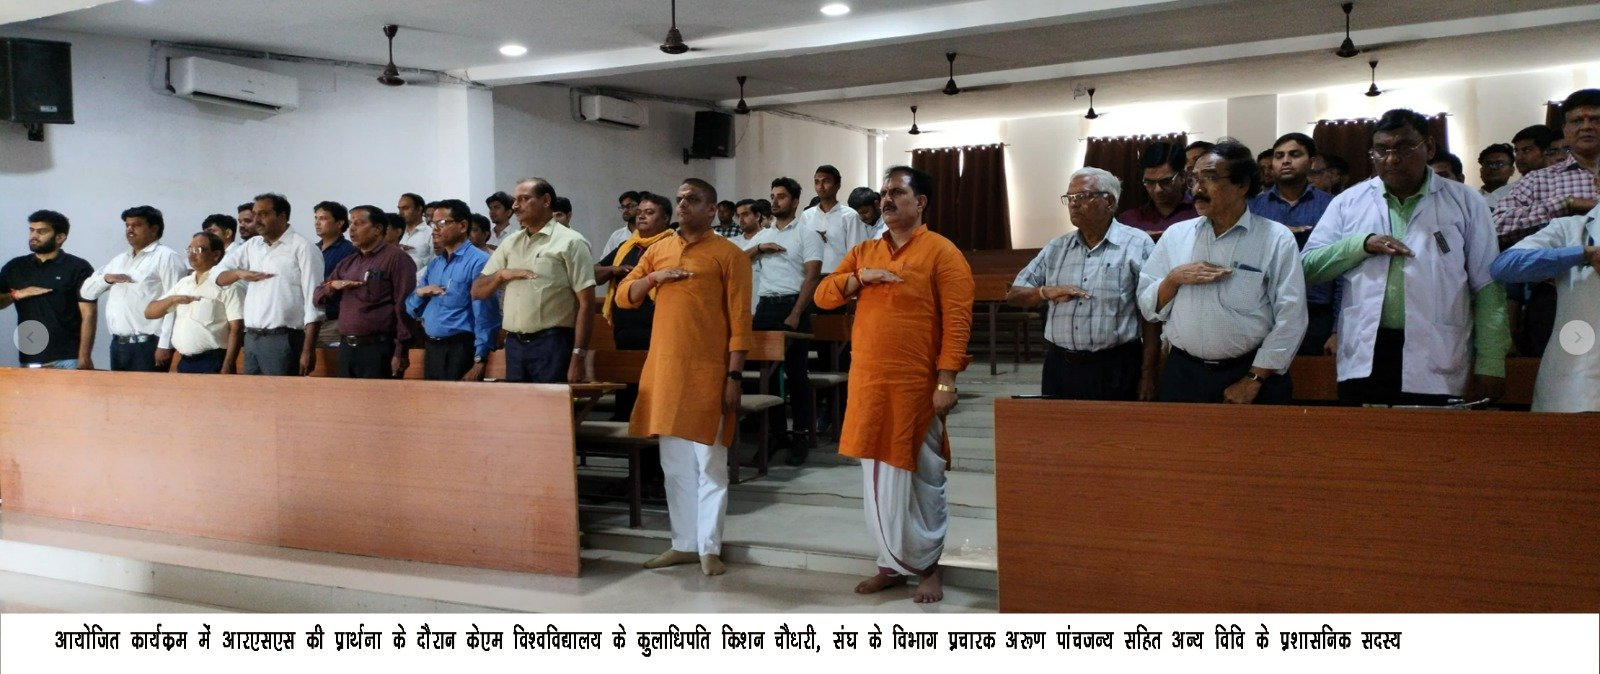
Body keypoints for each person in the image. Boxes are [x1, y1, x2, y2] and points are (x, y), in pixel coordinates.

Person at [814, 165, 973, 604]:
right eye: (884, 192)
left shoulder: (942, 252)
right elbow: (823, 296)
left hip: (916, 386)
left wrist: (946, 381)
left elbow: (957, 323)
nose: (885, 199)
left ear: (919, 202)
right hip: (868, 382)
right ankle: (890, 563)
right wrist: (859, 278)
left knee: (921, 479)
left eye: (897, 192)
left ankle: (928, 567)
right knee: (876, 481)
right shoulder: (865, 250)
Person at [1303, 109, 1509, 406]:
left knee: (1429, 435)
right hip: (1365, 351)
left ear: (1429, 147)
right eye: (1381, 150)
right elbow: (1308, 267)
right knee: (1362, 434)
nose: (1391, 159)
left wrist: (1491, 362)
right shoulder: (1348, 202)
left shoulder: (1465, 201)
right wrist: (1362, 245)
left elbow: (1488, 286)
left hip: (1437, 352)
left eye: (1403, 148)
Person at [616, 178, 752, 577]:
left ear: (711, 209)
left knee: (710, 464)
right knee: (674, 466)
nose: (682, 204)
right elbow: (624, 295)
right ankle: (684, 544)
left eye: (692, 199)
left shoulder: (729, 255)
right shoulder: (659, 249)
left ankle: (709, 548)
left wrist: (734, 376)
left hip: (709, 372)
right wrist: (653, 279)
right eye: (679, 199)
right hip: (665, 372)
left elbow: (741, 322)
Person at [1137, 140, 1307, 404]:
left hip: (1250, 371)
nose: (1197, 188)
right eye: (1194, 179)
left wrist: (1254, 379)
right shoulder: (1176, 235)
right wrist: (1174, 279)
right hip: (1183, 373)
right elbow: (1147, 306)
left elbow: (1291, 317)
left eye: (1210, 178)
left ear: (1242, 185)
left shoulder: (1276, 238)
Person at [1009, 167, 1158, 400]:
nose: (1073, 203)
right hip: (1060, 366)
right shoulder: (1057, 248)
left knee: (1114, 424)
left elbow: (1151, 315)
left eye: (1083, 196)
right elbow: (1014, 294)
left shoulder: (1137, 244)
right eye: (1069, 197)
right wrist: (1045, 292)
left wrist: (1148, 373)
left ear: (1109, 201)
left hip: (1116, 365)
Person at [1490, 167, 1600, 412]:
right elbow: (1504, 266)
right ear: (1597, 183)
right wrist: (1581, 254)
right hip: (1576, 383)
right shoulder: (1571, 230)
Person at [472, 178, 597, 384]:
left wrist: (578, 356)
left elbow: (587, 303)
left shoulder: (571, 242)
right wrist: (502, 274)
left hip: (553, 343)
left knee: (549, 405)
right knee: (517, 404)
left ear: (546, 200)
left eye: (524, 199)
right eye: (515, 200)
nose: (515, 205)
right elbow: (477, 291)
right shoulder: (511, 242)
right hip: (514, 343)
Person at [748, 176, 822, 464]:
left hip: (793, 305)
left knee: (796, 374)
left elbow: (812, 276)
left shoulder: (807, 233)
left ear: (794, 201)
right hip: (766, 307)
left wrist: (795, 313)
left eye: (781, 196)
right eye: (772, 196)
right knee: (767, 375)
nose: (775, 201)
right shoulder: (764, 235)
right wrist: (759, 249)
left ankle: (800, 434)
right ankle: (776, 433)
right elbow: (738, 261)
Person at [216, 193, 324, 376]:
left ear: (282, 216)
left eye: (263, 214)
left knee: (280, 394)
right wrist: (238, 273)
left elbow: (314, 302)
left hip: (283, 338)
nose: (256, 220)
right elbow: (217, 275)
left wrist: (308, 350)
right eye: (255, 214)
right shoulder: (252, 245)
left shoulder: (303, 247)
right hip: (251, 338)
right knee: (252, 394)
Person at [1248, 132, 1337, 355]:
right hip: (1265, 311)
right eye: (1279, 156)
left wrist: (1338, 328)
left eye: (1294, 154)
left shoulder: (1332, 206)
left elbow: (1343, 269)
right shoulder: (1253, 208)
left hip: (1316, 313)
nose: (1285, 161)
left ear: (1312, 162)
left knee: (1310, 376)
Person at [595, 191, 675, 418]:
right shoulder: (627, 246)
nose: (641, 216)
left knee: (652, 387)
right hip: (624, 326)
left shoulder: (673, 245)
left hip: (656, 326)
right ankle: (625, 420)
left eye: (649, 213)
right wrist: (614, 270)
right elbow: (595, 273)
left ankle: (650, 429)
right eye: (639, 212)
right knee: (626, 383)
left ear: (665, 218)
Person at [80, 205, 187, 372]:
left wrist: (165, 345)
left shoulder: (167, 257)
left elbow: (174, 303)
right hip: (118, 344)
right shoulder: (120, 260)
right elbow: (86, 292)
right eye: (127, 225)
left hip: (149, 345)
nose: (130, 229)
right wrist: (106, 279)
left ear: (154, 229)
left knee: (147, 390)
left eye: (136, 225)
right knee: (118, 390)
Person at [314, 203, 416, 379]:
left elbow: (404, 306)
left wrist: (401, 350)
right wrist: (333, 286)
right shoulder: (348, 262)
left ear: (378, 229)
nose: (352, 229)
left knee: (378, 396)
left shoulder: (397, 259)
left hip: (379, 348)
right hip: (346, 346)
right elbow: (317, 297)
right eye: (351, 224)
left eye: (359, 223)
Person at [1493, 89, 1600, 248]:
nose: (1586, 127)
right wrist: (1565, 204)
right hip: (1563, 263)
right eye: (1577, 121)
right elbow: (1497, 225)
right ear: (1565, 130)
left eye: (1595, 119)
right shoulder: (1538, 180)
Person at [407, 200, 499, 381]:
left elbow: (485, 314)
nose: (434, 229)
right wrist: (419, 293)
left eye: (441, 223)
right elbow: (411, 309)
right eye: (432, 223)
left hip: (460, 348)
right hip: (432, 346)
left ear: (463, 226)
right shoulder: (436, 263)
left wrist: (480, 358)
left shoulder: (479, 261)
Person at [1, 210, 95, 368]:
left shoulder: (78, 267)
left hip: (68, 358)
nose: (33, 236)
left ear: (60, 237)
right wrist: (16, 294)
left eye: (41, 231)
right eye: (32, 230)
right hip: (30, 356)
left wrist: (84, 356)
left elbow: (89, 314)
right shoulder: (15, 267)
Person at [144, 231, 243, 374]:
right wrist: (173, 299)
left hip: (214, 360)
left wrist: (228, 365)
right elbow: (150, 312)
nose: (191, 254)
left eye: (198, 250)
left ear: (216, 255)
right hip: (184, 360)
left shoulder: (228, 285)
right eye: (189, 249)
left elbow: (236, 328)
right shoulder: (184, 283)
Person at [805, 164, 874, 276]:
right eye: (817, 182)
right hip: (810, 278)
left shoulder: (850, 216)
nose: (820, 186)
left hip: (839, 277)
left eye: (826, 181)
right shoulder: (807, 216)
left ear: (838, 185)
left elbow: (856, 254)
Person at [1119, 141, 1197, 235]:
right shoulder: (1129, 220)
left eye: (1165, 182)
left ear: (1182, 176)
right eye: (1149, 182)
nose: (1157, 190)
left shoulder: (1199, 213)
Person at [313, 201, 357, 346]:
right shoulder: (312, 249)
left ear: (339, 223)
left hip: (333, 321)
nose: (317, 223)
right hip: (310, 318)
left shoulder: (350, 251)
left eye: (323, 218)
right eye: (316, 218)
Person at [396, 192, 434, 270]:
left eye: (405, 208)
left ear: (419, 210)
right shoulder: (398, 233)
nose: (400, 213)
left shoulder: (431, 233)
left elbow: (435, 263)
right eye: (399, 209)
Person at [603, 191, 642, 259]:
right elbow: (604, 261)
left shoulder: (649, 233)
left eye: (629, 206)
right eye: (623, 207)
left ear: (640, 206)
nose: (625, 210)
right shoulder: (617, 236)